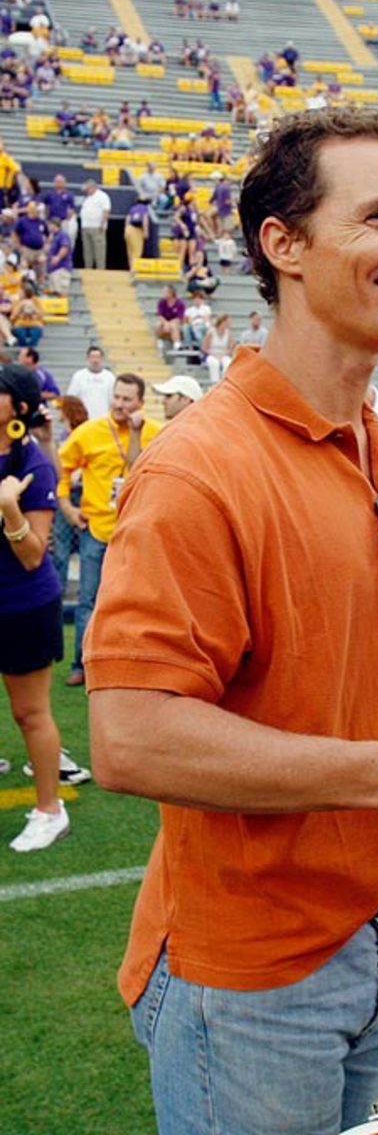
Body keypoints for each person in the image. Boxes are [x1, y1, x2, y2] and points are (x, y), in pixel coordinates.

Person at [83, 108, 378, 1135]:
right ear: (281, 245)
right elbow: (127, 735)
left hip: (371, 927)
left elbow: (364, 692)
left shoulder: (373, 442)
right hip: (249, 977)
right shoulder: (198, 469)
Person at [0, 365, 70, 851]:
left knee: (30, 713)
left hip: (23, 606)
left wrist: (9, 509)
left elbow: (33, 554)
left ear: (18, 410)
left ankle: (51, 810)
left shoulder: (33, 464)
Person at [58, 373, 161, 688]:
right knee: (89, 600)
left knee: (137, 603)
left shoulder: (154, 432)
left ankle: (130, 664)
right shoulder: (89, 432)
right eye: (116, 397)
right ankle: (81, 664)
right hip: (98, 531)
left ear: (140, 403)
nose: (120, 404)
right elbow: (63, 468)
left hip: (137, 532)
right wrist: (67, 506)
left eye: (127, 399)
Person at [66, 346, 115, 420]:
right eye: (92, 357)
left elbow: (113, 400)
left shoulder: (110, 377)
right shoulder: (78, 376)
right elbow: (71, 399)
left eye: (98, 357)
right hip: (84, 420)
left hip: (103, 420)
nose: (95, 360)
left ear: (102, 358)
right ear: (88, 358)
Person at [78, 179, 111, 269]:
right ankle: (88, 269)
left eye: (87, 189)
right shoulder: (87, 198)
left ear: (92, 187)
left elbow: (106, 210)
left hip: (97, 227)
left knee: (99, 251)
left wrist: (102, 224)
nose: (86, 191)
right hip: (86, 227)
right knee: (87, 251)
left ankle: (100, 270)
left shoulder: (102, 196)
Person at [202, 312, 234, 384]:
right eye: (227, 321)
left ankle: (224, 382)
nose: (229, 323)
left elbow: (231, 349)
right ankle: (214, 383)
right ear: (223, 322)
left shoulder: (228, 333)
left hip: (224, 354)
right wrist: (214, 354)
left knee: (227, 362)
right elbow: (204, 348)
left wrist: (223, 354)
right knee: (214, 363)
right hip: (212, 354)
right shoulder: (211, 332)